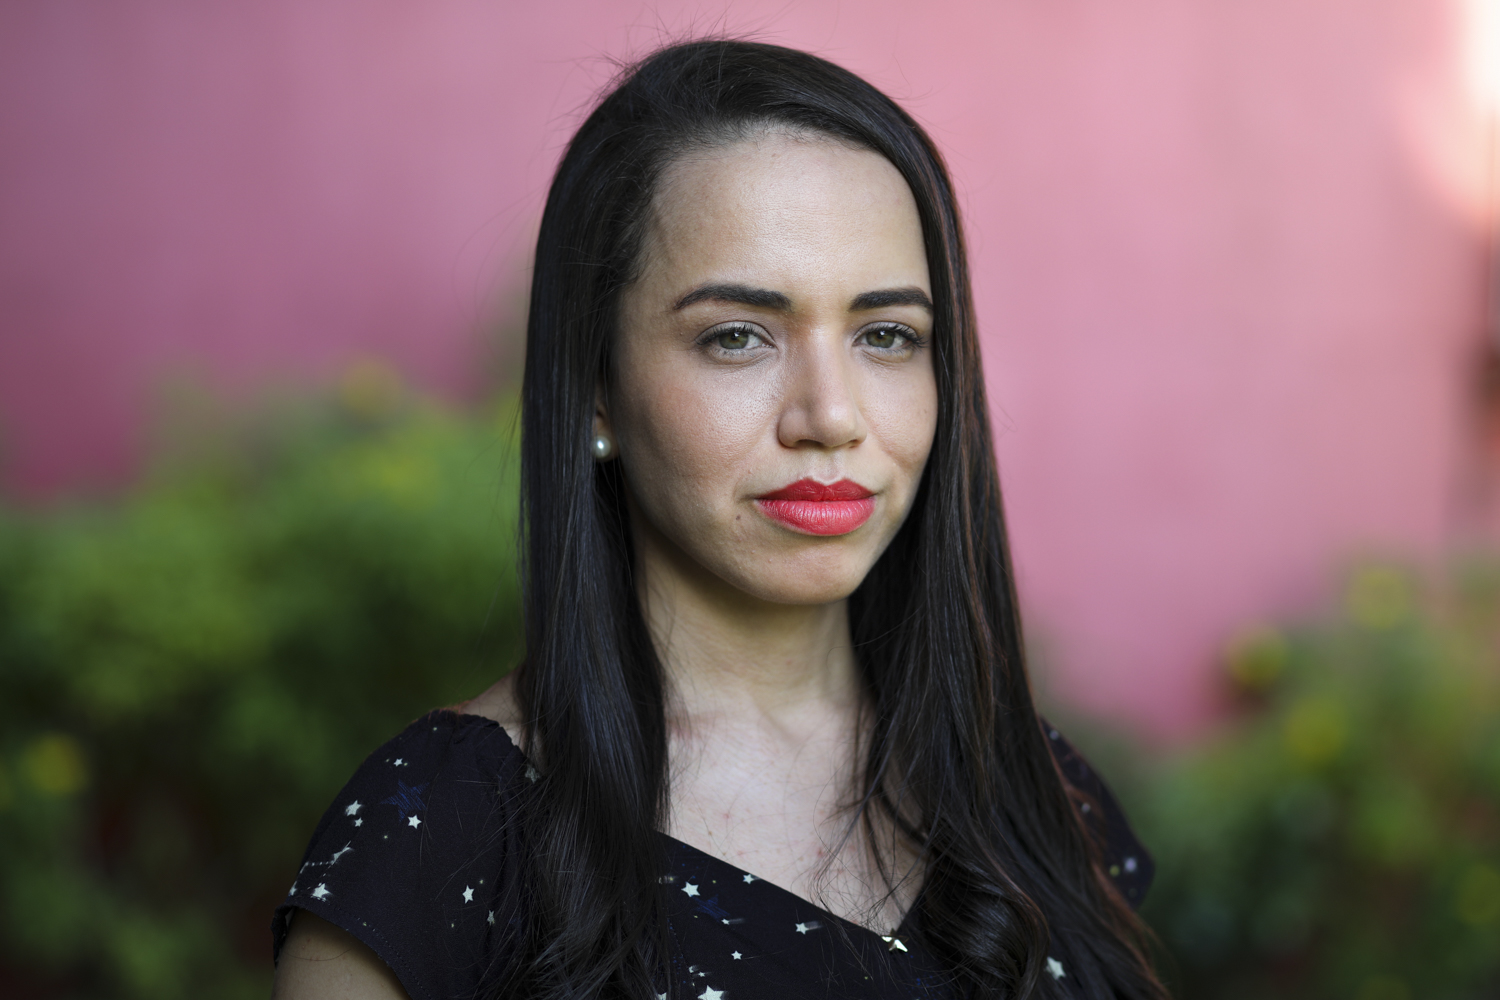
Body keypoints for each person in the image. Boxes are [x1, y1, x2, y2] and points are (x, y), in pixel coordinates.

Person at [270, 39, 1167, 1000]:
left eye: (887, 336)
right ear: (597, 390)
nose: (829, 415)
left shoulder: (1034, 791)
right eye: (736, 336)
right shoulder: (437, 836)